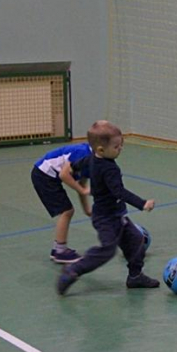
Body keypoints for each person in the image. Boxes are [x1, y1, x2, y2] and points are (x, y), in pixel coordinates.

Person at [57, 120, 159, 295]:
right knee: (107, 249)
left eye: (121, 145)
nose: (121, 149)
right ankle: (74, 270)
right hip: (107, 218)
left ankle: (135, 276)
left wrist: (69, 170)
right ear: (101, 150)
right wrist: (142, 203)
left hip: (116, 215)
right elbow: (119, 192)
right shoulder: (109, 169)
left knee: (136, 239)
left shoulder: (91, 159)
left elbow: (73, 166)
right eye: (117, 146)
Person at [31, 142, 92, 263]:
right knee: (67, 211)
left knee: (67, 210)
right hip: (43, 175)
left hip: (49, 176)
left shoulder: (92, 161)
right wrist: (83, 190)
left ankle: (57, 249)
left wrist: (87, 210)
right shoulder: (83, 153)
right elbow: (64, 175)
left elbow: (82, 183)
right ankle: (60, 251)